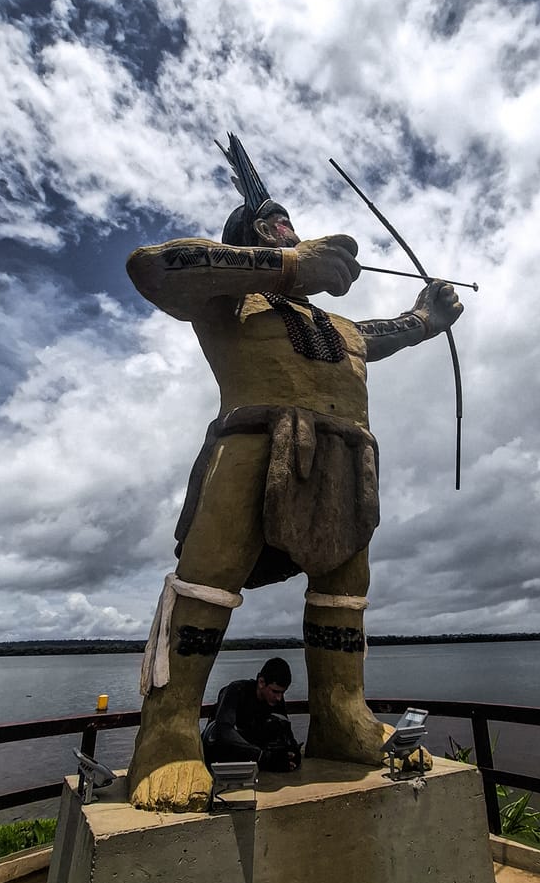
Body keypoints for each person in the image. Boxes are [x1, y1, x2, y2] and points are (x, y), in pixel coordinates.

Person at [126, 133, 463, 812]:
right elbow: (154, 266)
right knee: (207, 581)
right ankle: (166, 732)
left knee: (343, 592)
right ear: (252, 237)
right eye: (272, 221)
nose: (286, 224)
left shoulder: (337, 327)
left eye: (287, 223)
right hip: (253, 443)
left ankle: (341, 715)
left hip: (343, 462)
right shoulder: (233, 298)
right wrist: (286, 265)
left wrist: (427, 319)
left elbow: (384, 331)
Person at [202, 657, 301, 772]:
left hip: (251, 748)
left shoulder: (276, 701)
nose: (279, 697)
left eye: (282, 692)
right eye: (275, 691)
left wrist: (293, 753)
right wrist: (262, 756)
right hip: (219, 749)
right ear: (261, 682)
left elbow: (286, 732)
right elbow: (223, 730)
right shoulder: (236, 690)